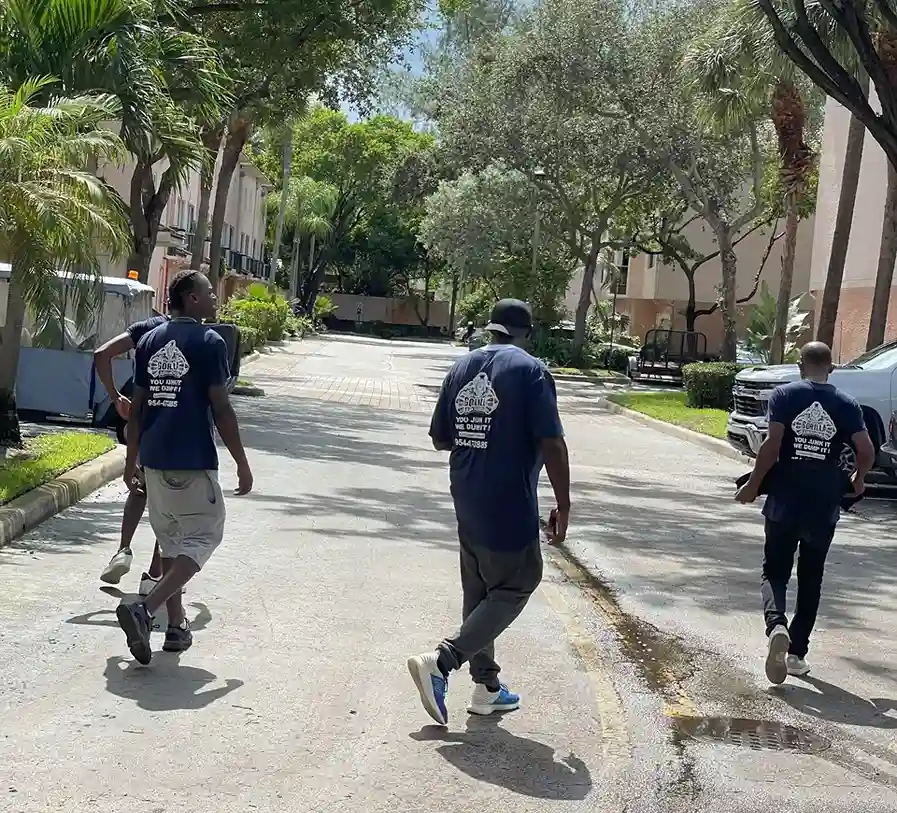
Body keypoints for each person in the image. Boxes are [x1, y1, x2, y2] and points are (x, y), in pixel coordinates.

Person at [408, 298, 570, 725]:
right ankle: (442, 661)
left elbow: (440, 438)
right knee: (519, 580)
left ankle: (487, 688)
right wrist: (564, 504)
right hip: (508, 498)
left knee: (480, 590)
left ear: (491, 329)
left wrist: (479, 433)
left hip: (466, 493)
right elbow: (553, 442)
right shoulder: (531, 371)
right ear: (525, 334)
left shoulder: (460, 368)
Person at [116, 270, 253, 665]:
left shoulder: (149, 341)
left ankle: (176, 627)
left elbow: (137, 410)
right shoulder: (209, 342)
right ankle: (146, 608)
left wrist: (132, 460)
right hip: (192, 460)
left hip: (154, 460)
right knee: (205, 535)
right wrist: (242, 462)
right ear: (192, 298)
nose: (215, 298)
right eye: (209, 292)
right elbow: (221, 408)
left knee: (172, 541)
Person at [736, 341, 874, 684]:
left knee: (775, 572)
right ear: (831, 369)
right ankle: (796, 654)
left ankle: (776, 626)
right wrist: (858, 480)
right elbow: (866, 450)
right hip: (823, 504)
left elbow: (771, 445)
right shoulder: (847, 404)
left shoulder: (784, 395)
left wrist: (753, 484)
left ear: (800, 365)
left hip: (784, 499)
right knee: (812, 578)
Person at [95, 311, 168, 595]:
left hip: (141, 420)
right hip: (176, 427)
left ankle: (123, 551)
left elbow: (102, 354)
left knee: (140, 488)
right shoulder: (197, 337)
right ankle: (154, 574)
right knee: (171, 502)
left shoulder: (147, 329)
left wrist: (115, 397)